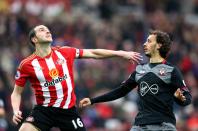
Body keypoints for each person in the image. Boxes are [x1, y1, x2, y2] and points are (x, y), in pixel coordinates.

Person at [10, 25, 142, 131]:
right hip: (43, 111)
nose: (47, 31)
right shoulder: (26, 64)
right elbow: (16, 93)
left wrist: (120, 53)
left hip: (68, 111)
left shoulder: (65, 52)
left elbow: (93, 53)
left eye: (48, 29)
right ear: (34, 39)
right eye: (41, 30)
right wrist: (16, 110)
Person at [79, 30, 192, 131]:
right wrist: (93, 100)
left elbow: (187, 98)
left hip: (163, 125)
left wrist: (180, 99)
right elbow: (120, 91)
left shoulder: (171, 70)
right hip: (140, 125)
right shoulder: (139, 70)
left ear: (159, 45)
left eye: (149, 41)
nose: (144, 44)